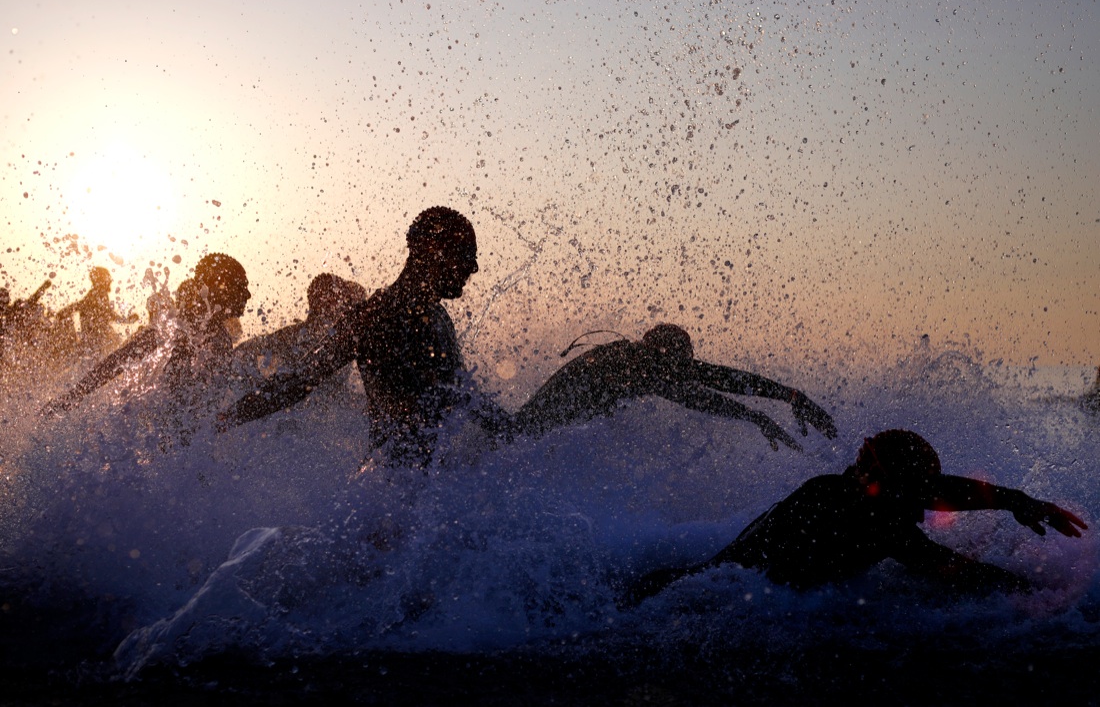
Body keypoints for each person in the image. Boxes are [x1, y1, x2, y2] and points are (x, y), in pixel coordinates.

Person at [624, 429, 1087, 604]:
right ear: (881, 485)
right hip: (717, 597)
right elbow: (950, 569)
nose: (925, 503)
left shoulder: (861, 488)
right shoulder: (858, 513)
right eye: (910, 493)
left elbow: (939, 489)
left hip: (721, 582)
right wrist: (1046, 595)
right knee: (687, 583)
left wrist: (1018, 500)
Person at [219, 206, 488, 467]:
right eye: (465, 255)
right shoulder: (373, 318)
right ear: (433, 253)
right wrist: (226, 419)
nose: (473, 268)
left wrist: (512, 430)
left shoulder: (439, 318)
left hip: (440, 488)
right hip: (389, 491)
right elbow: (298, 381)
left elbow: (465, 398)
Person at [506, 323, 836, 451]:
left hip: (536, 438)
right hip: (524, 438)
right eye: (680, 367)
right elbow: (695, 395)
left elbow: (719, 377)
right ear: (665, 358)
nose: (685, 373)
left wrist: (790, 395)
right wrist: (754, 416)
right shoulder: (632, 363)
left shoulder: (645, 359)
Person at [40, 253, 251, 417]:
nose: (248, 295)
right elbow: (118, 360)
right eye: (241, 287)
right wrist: (73, 396)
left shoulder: (220, 338)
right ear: (219, 290)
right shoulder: (174, 329)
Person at [232, 272, 367, 383]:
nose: (344, 304)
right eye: (340, 297)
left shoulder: (342, 338)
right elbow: (243, 351)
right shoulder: (295, 335)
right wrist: (255, 383)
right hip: (295, 409)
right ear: (325, 300)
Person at [56, 266, 138, 357]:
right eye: (108, 278)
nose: (110, 281)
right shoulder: (99, 293)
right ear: (101, 280)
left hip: (92, 343)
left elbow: (80, 306)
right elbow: (108, 313)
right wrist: (126, 320)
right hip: (96, 344)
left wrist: (64, 312)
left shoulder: (94, 294)